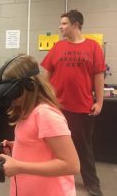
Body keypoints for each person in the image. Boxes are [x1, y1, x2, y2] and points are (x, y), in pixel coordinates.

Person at [0, 54, 80, 196]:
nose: (9, 99)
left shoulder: (46, 115)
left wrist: (19, 167)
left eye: (11, 92)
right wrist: (17, 146)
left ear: (29, 87)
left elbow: (71, 165)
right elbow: (39, 144)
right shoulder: (28, 112)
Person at [41, 10, 106, 196]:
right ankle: (52, 181)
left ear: (76, 24)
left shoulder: (93, 47)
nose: (60, 27)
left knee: (84, 149)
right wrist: (43, 99)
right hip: (56, 108)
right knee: (51, 148)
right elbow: (46, 76)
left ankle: (92, 185)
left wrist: (99, 102)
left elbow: (98, 76)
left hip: (82, 108)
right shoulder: (57, 47)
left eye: (64, 23)